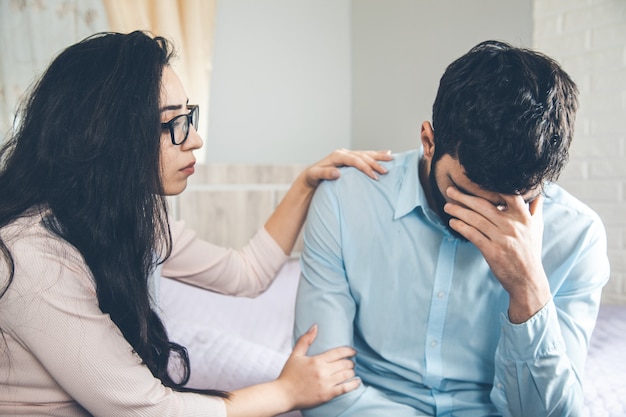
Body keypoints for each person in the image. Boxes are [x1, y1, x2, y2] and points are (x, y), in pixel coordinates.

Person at [0, 31, 394, 416]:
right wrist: (286, 392)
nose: (195, 140)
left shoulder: (130, 219)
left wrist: (306, 183)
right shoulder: (33, 255)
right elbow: (150, 409)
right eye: (174, 123)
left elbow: (246, 273)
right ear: (109, 137)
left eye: (188, 116)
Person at [294, 40, 610, 416]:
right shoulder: (346, 199)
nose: (489, 218)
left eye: (515, 203)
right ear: (429, 142)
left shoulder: (578, 237)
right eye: (466, 194)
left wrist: (528, 290)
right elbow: (321, 390)